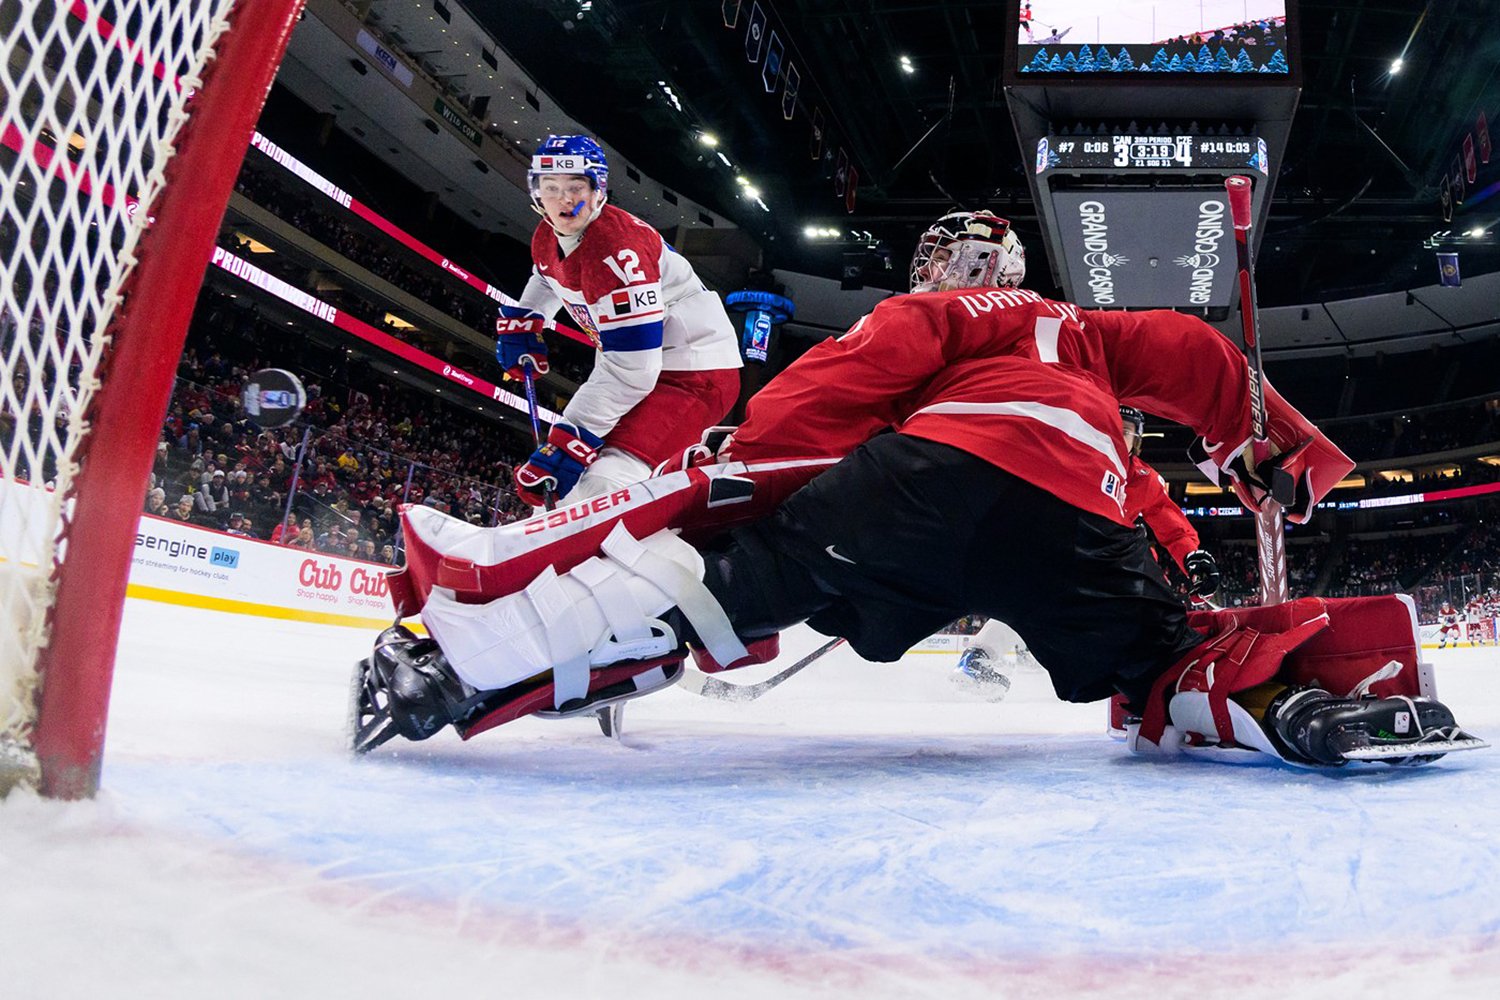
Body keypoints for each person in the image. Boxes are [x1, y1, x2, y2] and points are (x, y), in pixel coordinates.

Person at [362, 211, 1482, 769]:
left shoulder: (933, 316)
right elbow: (1194, 370)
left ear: (958, 271)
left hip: (926, 481)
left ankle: (465, 662)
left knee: (721, 586)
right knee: (1149, 659)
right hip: (1076, 512)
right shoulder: (1085, 336)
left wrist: (740, 474)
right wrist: (1269, 452)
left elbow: (828, 393)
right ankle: (1289, 709)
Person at [495, 134, 743, 508]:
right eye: (551, 187)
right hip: (651, 365)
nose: (564, 199)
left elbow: (634, 367)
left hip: (694, 375)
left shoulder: (616, 251)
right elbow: (548, 274)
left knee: (606, 482)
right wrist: (530, 317)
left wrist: (572, 435)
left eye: (575, 187)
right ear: (536, 193)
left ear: (598, 191)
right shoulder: (548, 233)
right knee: (572, 485)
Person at [954, 404, 1221, 701]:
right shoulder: (1070, 460)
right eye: (1113, 429)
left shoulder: (1144, 479)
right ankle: (979, 657)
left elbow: (1171, 525)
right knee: (1038, 594)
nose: (1119, 438)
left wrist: (1191, 556)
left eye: (1127, 432)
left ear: (1138, 440)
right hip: (1059, 549)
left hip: (1107, 562)